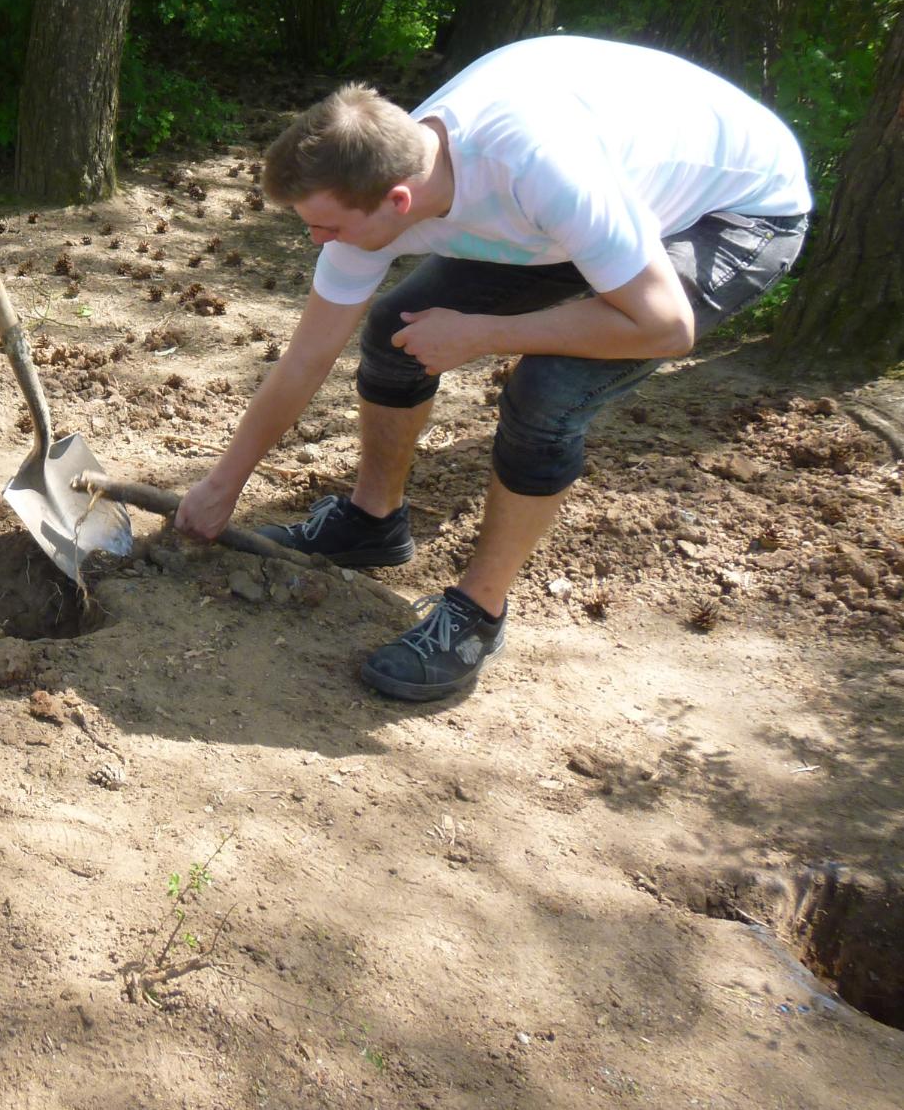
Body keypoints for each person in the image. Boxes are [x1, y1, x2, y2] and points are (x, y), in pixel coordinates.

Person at [176, 36, 812, 702]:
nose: (316, 242)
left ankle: (478, 614)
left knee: (548, 390)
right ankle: (372, 522)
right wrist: (224, 485)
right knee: (398, 329)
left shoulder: (537, 169)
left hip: (731, 210)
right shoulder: (384, 182)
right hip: (586, 205)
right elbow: (307, 356)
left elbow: (666, 326)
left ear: (397, 202)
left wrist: (486, 334)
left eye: (327, 229)